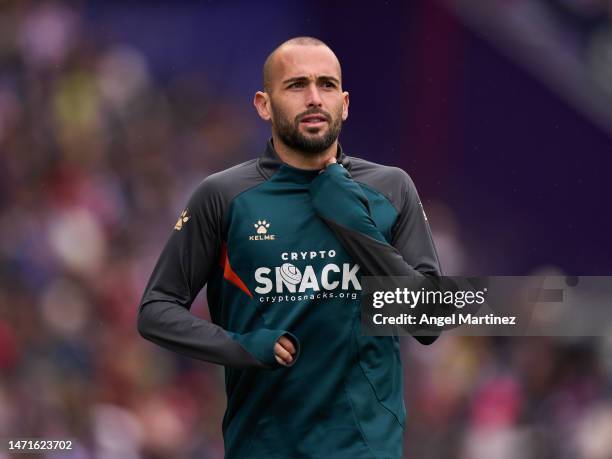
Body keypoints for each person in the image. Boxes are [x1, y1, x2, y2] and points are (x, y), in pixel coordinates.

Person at [137, 36, 441, 459]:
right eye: (297, 85)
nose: (314, 98)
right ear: (264, 104)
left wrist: (351, 219)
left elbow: (430, 319)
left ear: (345, 103)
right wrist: (244, 346)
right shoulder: (223, 196)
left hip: (364, 450)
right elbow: (156, 311)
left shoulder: (390, 188)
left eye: (327, 85)